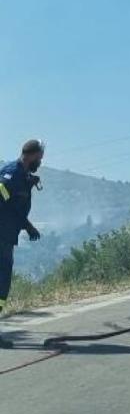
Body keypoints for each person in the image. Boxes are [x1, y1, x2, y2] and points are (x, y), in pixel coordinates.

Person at [0, 140, 44, 348]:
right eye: (39, 158)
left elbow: (13, 203)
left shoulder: (22, 175)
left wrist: (28, 182)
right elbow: (3, 196)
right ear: (31, 155)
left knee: (2, 284)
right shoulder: (12, 173)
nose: (40, 162)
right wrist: (27, 226)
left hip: (6, 236)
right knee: (1, 283)